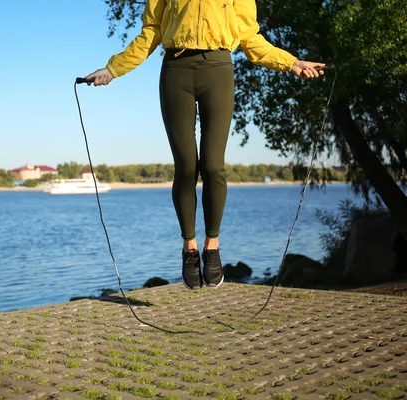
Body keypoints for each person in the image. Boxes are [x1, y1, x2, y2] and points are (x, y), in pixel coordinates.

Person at [84, 0, 324, 290]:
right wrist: (113, 69)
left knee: (212, 165)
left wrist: (291, 62)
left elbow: (250, 38)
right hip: (176, 71)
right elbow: (150, 34)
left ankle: (212, 245)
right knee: (186, 166)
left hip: (218, 70)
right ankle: (189, 246)